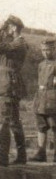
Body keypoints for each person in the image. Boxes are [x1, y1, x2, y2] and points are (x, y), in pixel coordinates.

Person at [0, 14, 29, 166]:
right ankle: (22, 156)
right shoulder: (13, 43)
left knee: (4, 121)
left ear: (14, 27)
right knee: (14, 122)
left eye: (8, 26)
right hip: (7, 84)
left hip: (8, 86)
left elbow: (3, 47)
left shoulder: (19, 43)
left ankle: (2, 157)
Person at [32, 38, 56, 163]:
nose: (46, 52)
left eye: (48, 50)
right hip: (40, 98)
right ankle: (41, 153)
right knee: (41, 126)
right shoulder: (41, 65)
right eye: (43, 50)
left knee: (55, 126)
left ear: (53, 49)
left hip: (53, 99)